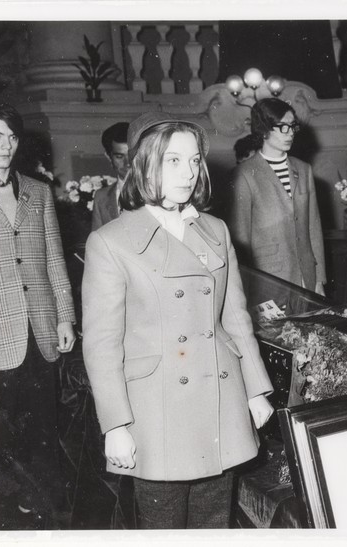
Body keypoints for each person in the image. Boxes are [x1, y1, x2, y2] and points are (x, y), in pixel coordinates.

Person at [81, 111, 275, 529]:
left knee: (213, 524)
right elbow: (101, 344)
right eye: (173, 160)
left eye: (194, 160)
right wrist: (115, 424)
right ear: (144, 163)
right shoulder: (110, 243)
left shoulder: (216, 230)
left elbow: (235, 318)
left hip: (219, 401)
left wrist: (256, 390)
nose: (188, 173)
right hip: (156, 410)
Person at [0, 103, 76, 529]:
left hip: (39, 331)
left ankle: (41, 514)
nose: (5, 146)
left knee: (43, 430)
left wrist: (64, 317)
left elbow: (56, 261)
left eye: (11, 137)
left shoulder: (37, 192)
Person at [227, 98, 326, 295]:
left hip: (306, 277)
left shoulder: (303, 169)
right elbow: (240, 238)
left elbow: (314, 228)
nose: (290, 133)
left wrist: (319, 279)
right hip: (266, 280)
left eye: (292, 126)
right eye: (283, 127)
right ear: (264, 130)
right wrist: (246, 288)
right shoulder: (244, 174)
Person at [91, 122, 130, 230]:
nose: (128, 163)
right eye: (119, 156)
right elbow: (96, 243)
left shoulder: (157, 192)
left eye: (132, 155)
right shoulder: (101, 198)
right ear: (109, 157)